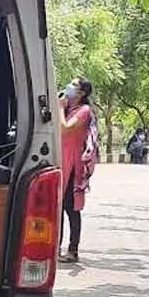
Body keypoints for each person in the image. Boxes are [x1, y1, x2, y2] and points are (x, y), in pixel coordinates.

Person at [58, 79, 97, 263]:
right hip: (60, 163)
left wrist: (59, 107)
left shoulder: (84, 111)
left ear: (81, 93)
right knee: (57, 208)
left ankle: (73, 250)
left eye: (74, 85)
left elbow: (65, 128)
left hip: (73, 165)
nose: (69, 87)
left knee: (71, 208)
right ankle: (55, 247)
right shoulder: (67, 108)